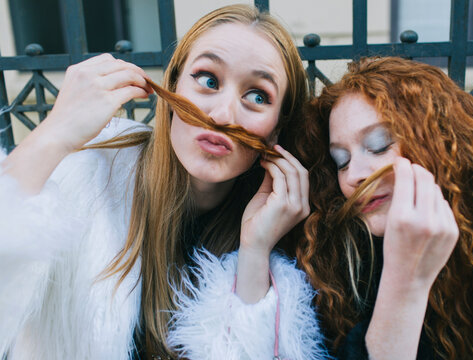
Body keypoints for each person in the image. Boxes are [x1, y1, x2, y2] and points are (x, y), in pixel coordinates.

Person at [0, 5, 328, 359]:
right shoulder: (86, 180)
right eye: (208, 80)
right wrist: (54, 135)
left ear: (276, 128)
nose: (221, 115)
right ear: (172, 87)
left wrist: (255, 250)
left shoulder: (278, 225)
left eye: (258, 96)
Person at [293, 57, 473, 359]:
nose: (355, 174)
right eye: (341, 161)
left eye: (379, 144)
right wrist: (403, 287)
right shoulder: (346, 272)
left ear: (441, 141)